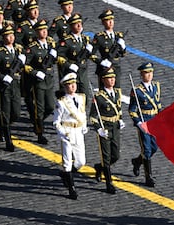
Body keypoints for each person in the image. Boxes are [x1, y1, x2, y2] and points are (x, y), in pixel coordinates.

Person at [0, 25, 25, 152]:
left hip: (15, 84)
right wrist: (2, 77)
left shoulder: (18, 50)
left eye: (12, 35)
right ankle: (8, 140)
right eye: (8, 35)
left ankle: (0, 125)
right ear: (3, 38)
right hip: (4, 86)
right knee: (5, 112)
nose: (11, 37)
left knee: (15, 112)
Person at [89, 68, 125, 194]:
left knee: (116, 155)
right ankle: (109, 183)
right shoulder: (98, 97)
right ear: (103, 80)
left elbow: (119, 109)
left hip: (115, 127)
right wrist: (98, 129)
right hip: (105, 128)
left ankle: (99, 168)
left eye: (113, 78)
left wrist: (120, 119)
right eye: (109, 78)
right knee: (106, 156)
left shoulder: (117, 93)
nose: (112, 80)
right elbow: (93, 116)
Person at [53, 72, 88, 200]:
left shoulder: (81, 98)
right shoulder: (61, 102)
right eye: (69, 85)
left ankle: (65, 175)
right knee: (67, 162)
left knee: (80, 162)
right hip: (67, 132)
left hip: (78, 132)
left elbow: (82, 113)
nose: (72, 87)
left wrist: (84, 125)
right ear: (65, 87)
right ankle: (71, 188)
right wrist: (63, 133)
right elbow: (56, 122)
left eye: (73, 84)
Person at [128, 62, 162, 187]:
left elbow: (158, 104)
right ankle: (149, 177)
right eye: (146, 73)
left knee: (154, 148)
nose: (149, 75)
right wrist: (139, 123)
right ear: (142, 74)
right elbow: (132, 110)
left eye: (150, 72)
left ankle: (137, 161)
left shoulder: (156, 87)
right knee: (147, 149)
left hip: (154, 121)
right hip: (144, 120)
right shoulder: (137, 90)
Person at [24, 19, 57, 145]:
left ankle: (38, 122)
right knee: (40, 108)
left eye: (45, 30)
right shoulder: (32, 48)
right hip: (38, 81)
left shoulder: (50, 44)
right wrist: (35, 73)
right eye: (41, 30)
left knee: (50, 106)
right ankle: (40, 133)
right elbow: (26, 65)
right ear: (37, 32)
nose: (44, 32)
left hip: (49, 79)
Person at [56, 13, 93, 104]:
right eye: (76, 24)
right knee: (72, 96)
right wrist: (69, 65)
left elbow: (90, 55)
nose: (79, 25)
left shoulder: (85, 39)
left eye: (80, 23)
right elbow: (59, 56)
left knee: (85, 96)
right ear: (71, 26)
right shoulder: (67, 41)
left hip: (83, 71)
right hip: (72, 71)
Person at [90, 9, 126, 89]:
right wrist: (101, 62)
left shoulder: (118, 35)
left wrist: (123, 47)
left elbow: (123, 54)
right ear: (103, 22)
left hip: (116, 66)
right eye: (107, 20)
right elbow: (91, 54)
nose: (110, 22)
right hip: (105, 68)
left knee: (117, 90)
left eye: (111, 19)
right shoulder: (100, 37)